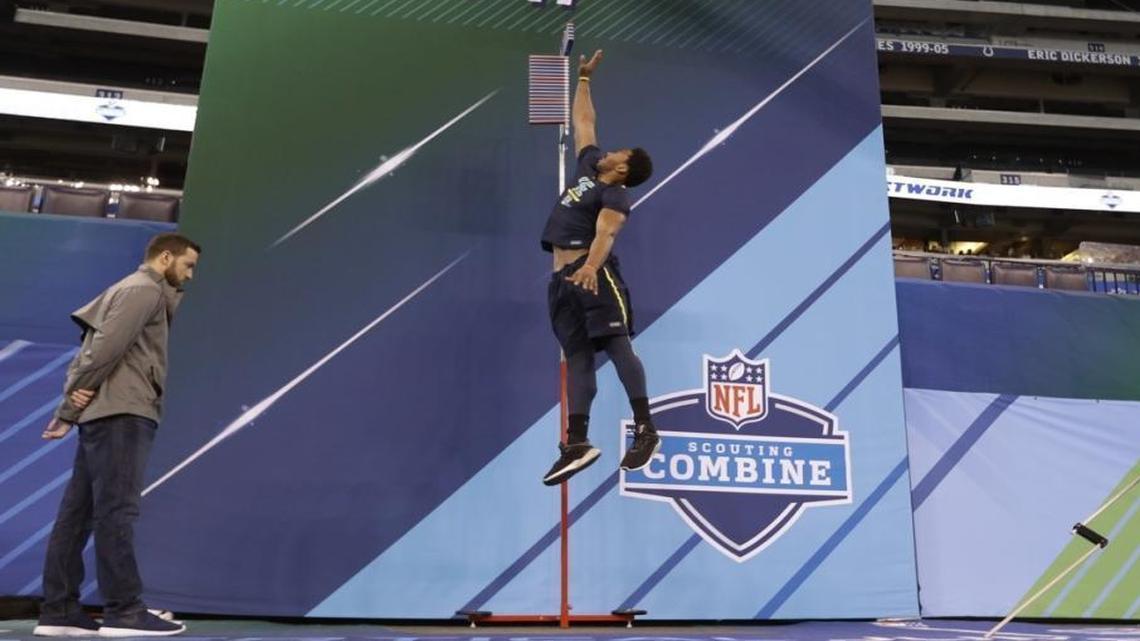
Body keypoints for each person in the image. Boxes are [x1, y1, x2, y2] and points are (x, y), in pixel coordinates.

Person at [34, 233, 200, 638]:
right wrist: (68, 409)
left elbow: (98, 350)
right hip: (123, 413)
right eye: (188, 265)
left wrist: (73, 410)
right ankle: (124, 611)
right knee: (116, 512)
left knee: (78, 514)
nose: (191, 275)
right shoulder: (142, 290)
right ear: (165, 258)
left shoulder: (136, 289)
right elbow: (102, 350)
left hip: (107, 413)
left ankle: (59, 610)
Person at [539, 49, 658, 486]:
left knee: (617, 343)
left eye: (620, 152)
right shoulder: (590, 166)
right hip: (561, 280)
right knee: (577, 356)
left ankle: (647, 428)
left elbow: (606, 235)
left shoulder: (615, 197)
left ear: (622, 168)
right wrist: (584, 80)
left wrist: (590, 267)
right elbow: (583, 124)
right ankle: (577, 442)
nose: (612, 149)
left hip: (594, 275)